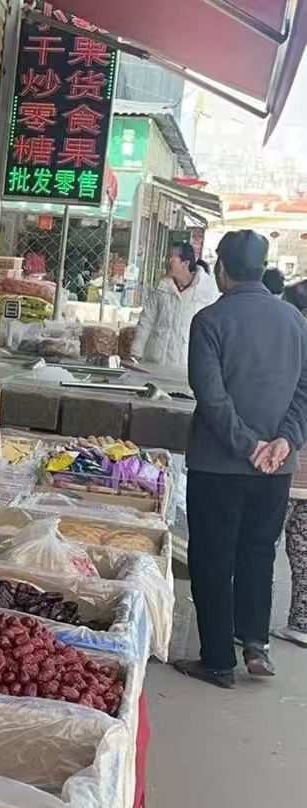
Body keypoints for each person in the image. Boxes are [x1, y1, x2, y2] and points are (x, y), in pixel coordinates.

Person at [174, 230, 307, 688]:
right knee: (258, 551)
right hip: (276, 467)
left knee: (213, 557)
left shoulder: (210, 320)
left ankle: (217, 660)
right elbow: (304, 391)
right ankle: (254, 642)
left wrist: (248, 445)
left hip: (219, 465)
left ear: (222, 269)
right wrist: (285, 440)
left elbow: (212, 398)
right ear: (262, 267)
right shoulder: (294, 320)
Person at [276, 278, 307, 647]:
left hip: (285, 465)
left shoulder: (295, 342)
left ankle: (248, 625)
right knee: (303, 548)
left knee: (260, 546)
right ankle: (301, 622)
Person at [131, 242, 220, 367]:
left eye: (171, 258)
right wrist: (136, 351)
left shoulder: (207, 291)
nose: (167, 262)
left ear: (185, 263)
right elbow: (147, 320)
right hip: (155, 360)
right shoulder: (161, 288)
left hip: (185, 362)